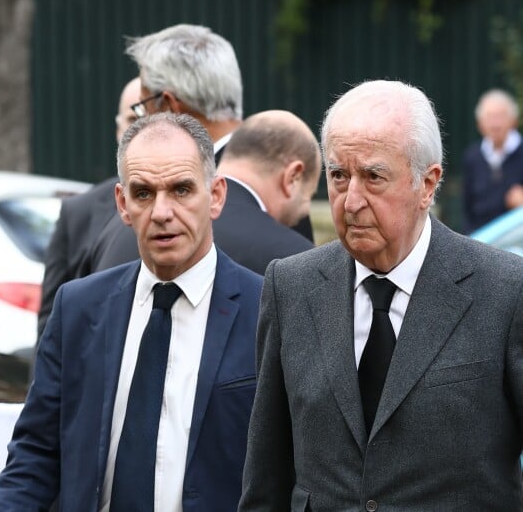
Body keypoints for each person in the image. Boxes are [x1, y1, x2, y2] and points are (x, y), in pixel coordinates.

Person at [239, 80, 523, 510]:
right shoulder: (290, 287)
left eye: (373, 177)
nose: (351, 201)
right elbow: (267, 477)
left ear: (427, 185)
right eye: (338, 176)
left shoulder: (504, 290)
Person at [0, 112, 264, 511]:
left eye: (182, 190)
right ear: (122, 203)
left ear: (216, 196)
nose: (162, 212)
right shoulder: (78, 308)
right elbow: (35, 454)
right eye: (144, 193)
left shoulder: (268, 310)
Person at [89, 24, 313, 272]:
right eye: (144, 194)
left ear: (168, 107)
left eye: (142, 108)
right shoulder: (281, 189)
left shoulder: (121, 227)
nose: (161, 213)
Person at [36, 76, 143, 342]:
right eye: (132, 121)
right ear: (118, 130)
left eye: (153, 118)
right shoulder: (78, 212)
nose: (142, 131)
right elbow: (49, 328)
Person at [213, 109, 320, 274]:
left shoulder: (174, 224)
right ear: (293, 177)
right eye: (308, 196)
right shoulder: (297, 260)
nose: (305, 210)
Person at [462, 88, 523, 233]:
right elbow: (467, 209)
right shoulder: (472, 157)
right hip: (482, 239)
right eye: (489, 117)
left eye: (500, 117)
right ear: (480, 124)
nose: (495, 124)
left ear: (514, 121)